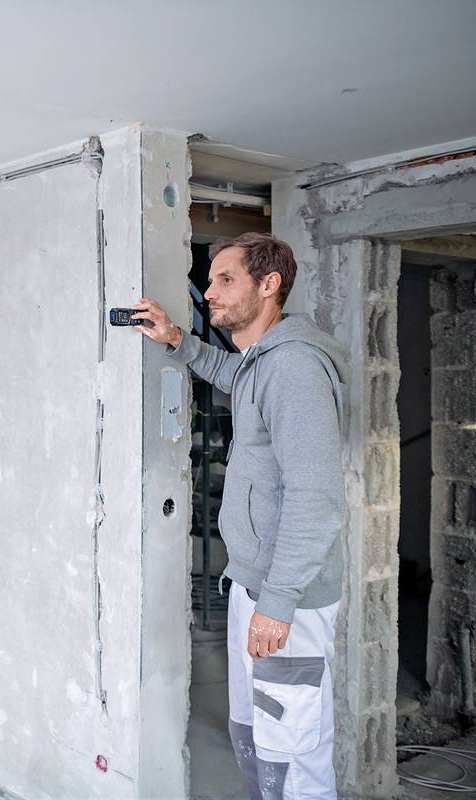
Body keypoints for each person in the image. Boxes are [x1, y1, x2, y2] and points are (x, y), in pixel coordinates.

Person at [133, 232, 348, 799]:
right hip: (257, 584)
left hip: (287, 599)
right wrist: (178, 341)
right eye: (210, 281)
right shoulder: (262, 362)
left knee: (291, 755)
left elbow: (316, 496)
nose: (209, 293)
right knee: (255, 736)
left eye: (225, 280)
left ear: (269, 284)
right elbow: (233, 376)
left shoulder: (294, 368)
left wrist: (278, 602)